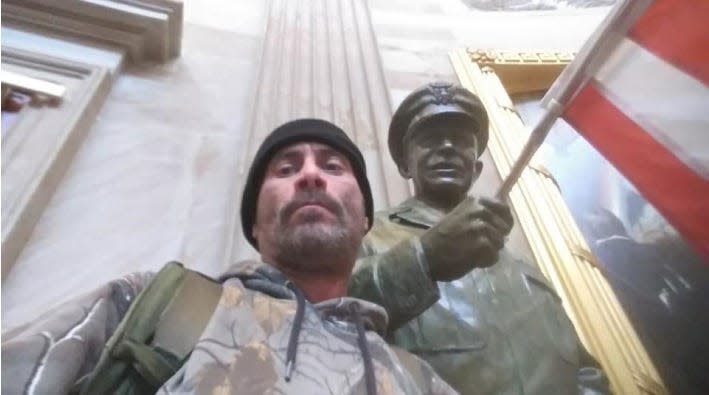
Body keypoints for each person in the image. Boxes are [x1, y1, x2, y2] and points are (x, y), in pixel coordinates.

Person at [2, 119, 456, 395]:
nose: (311, 176)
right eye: (286, 168)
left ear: (365, 224)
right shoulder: (156, 303)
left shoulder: (417, 380)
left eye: (333, 167)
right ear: (254, 226)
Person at [349, 82, 609, 395]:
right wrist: (423, 258)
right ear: (406, 164)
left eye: (460, 141)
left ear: (476, 168)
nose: (447, 147)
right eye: (431, 140)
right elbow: (325, 320)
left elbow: (585, 371)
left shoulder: (526, 270)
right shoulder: (369, 239)